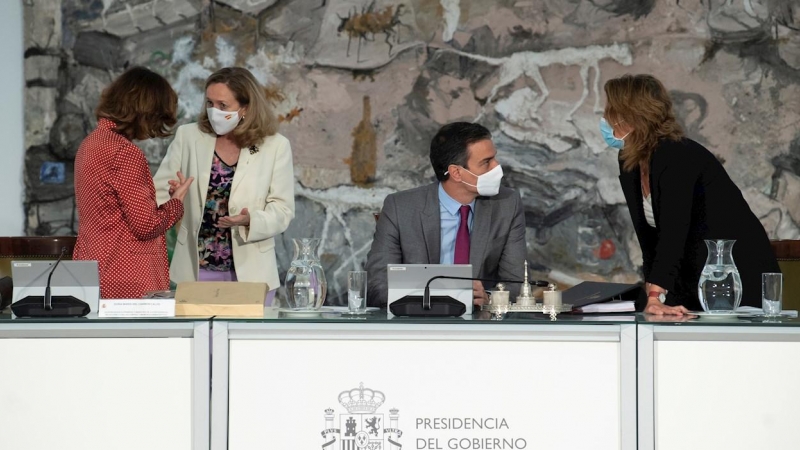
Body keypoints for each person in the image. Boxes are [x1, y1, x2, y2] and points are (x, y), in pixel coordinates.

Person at [603, 74, 779, 315]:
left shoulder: (677, 156)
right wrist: (655, 295)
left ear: (633, 115)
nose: (606, 117)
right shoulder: (630, 162)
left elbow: (673, 233)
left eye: (611, 110)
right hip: (691, 280)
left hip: (732, 274)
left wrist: (655, 294)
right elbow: (648, 240)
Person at [153, 67, 294, 300]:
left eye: (223, 105)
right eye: (209, 103)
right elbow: (158, 194)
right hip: (195, 269)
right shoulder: (188, 136)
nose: (214, 111)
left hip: (252, 273)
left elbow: (283, 210)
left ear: (246, 108)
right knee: (197, 337)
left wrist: (251, 220)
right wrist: (173, 196)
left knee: (245, 338)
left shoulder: (276, 146)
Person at [366, 122, 527, 307]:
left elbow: (517, 283)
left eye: (494, 158)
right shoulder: (400, 208)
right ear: (456, 173)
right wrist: (434, 299)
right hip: (416, 325)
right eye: (486, 162)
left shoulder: (507, 204)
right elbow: (377, 285)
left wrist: (489, 299)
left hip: (479, 327)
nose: (497, 167)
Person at [73, 67, 193, 299]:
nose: (155, 130)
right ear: (145, 111)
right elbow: (146, 225)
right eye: (157, 118)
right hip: (128, 276)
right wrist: (176, 203)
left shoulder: (89, 144)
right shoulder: (124, 153)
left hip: (93, 269)